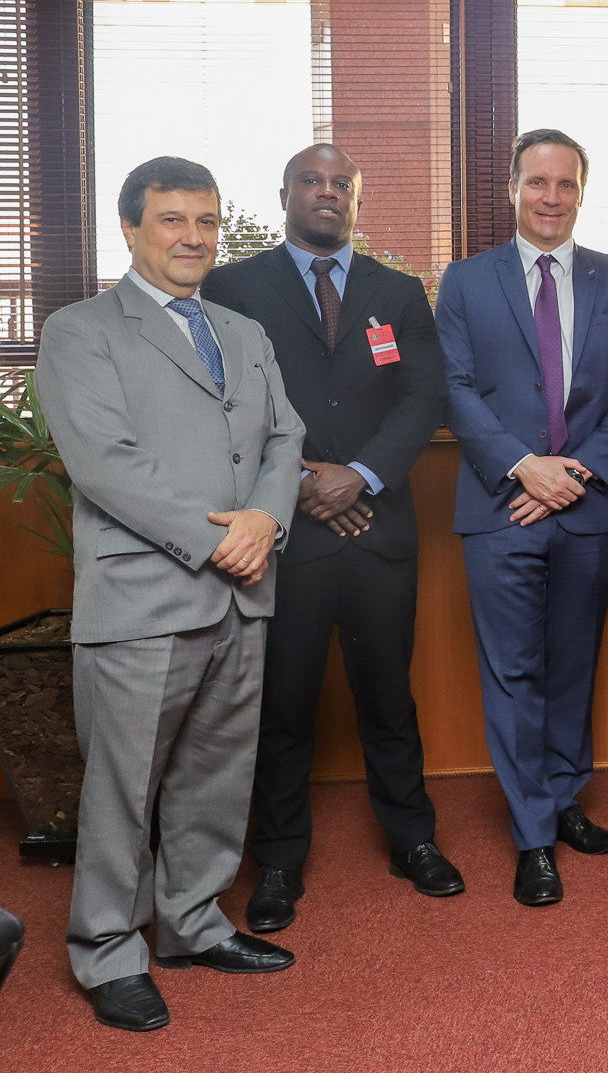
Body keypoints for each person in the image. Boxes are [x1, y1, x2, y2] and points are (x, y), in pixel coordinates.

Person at [37, 156, 305, 1031]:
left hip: (243, 589)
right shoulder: (82, 331)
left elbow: (284, 437)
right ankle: (107, 950)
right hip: (147, 596)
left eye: (207, 220)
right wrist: (220, 538)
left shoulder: (242, 329)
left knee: (216, 777)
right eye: (173, 221)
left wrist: (266, 520)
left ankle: (192, 923)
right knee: (124, 788)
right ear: (130, 228)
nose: (193, 237)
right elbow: (105, 464)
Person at [204, 143, 458, 932]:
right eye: (311, 181)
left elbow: (423, 396)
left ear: (359, 199)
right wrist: (304, 485)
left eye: (341, 183)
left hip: (379, 529)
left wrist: (363, 475)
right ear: (283, 192)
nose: (326, 193)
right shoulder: (234, 286)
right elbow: (223, 404)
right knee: (284, 704)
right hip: (284, 534)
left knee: (389, 697)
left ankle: (413, 839)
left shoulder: (398, 290)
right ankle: (277, 861)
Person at [434, 129, 608, 905]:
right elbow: (454, 388)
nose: (551, 197)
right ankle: (533, 835)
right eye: (538, 182)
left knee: (572, 664)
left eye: (565, 184)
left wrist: (576, 473)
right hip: (502, 509)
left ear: (581, 192)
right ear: (513, 188)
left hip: (586, 506)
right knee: (513, 672)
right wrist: (523, 467)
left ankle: (564, 800)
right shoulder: (465, 282)